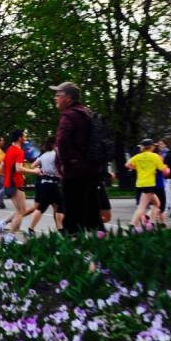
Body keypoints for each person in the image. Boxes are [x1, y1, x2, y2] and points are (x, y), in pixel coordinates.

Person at [51, 82, 100, 233]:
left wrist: (64, 164)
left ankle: (72, 250)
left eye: (58, 95)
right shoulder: (87, 113)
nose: (55, 98)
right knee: (92, 213)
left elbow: (62, 141)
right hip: (91, 169)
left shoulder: (69, 116)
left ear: (68, 98)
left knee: (72, 214)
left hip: (74, 171)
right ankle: (99, 245)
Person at [0, 129, 39, 242]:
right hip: (16, 184)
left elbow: (1, 168)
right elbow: (19, 168)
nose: (25, 138)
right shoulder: (18, 151)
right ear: (19, 138)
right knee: (21, 212)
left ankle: (1, 224)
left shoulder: (9, 150)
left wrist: (8, 176)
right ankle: (10, 237)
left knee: (20, 210)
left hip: (8, 184)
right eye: (24, 136)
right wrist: (35, 171)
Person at [127, 138, 170, 226]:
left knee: (157, 203)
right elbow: (163, 170)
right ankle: (132, 224)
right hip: (149, 185)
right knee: (142, 207)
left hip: (140, 184)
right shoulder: (154, 156)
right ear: (151, 147)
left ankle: (152, 222)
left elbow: (127, 165)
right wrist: (167, 170)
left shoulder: (138, 156)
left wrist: (137, 168)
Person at [29, 137, 64, 234]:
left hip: (44, 183)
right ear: (53, 145)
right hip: (53, 184)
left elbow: (32, 166)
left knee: (42, 207)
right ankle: (61, 229)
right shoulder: (56, 155)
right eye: (56, 144)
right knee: (61, 205)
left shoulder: (43, 156)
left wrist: (40, 170)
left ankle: (31, 229)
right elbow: (61, 167)